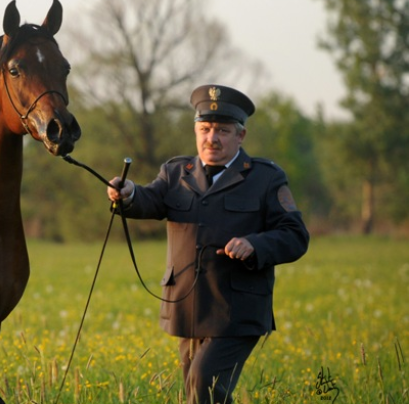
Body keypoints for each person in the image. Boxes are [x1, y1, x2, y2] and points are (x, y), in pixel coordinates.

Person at [106, 84, 309, 404]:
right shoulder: (176, 172)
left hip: (236, 309)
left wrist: (255, 244)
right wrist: (128, 193)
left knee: (204, 384)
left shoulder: (266, 178)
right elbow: (151, 199)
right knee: (196, 393)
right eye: (205, 129)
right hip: (187, 306)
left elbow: (295, 235)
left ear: (240, 136)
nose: (211, 138)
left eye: (222, 130)